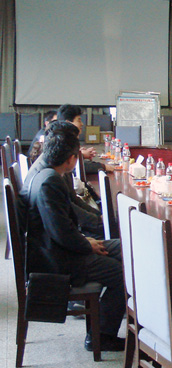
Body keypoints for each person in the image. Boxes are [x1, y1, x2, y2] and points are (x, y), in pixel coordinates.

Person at [20, 121, 126, 351]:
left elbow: (62, 227)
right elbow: (61, 233)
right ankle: (101, 336)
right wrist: (87, 245)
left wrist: (86, 241)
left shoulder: (47, 172)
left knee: (125, 248)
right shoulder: (49, 181)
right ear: (70, 159)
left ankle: (119, 316)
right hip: (56, 260)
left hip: (57, 247)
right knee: (120, 272)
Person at [57, 104, 114, 173]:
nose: (82, 124)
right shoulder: (62, 141)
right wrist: (104, 167)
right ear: (68, 123)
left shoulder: (66, 139)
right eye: (79, 120)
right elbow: (79, 166)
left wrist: (81, 155)